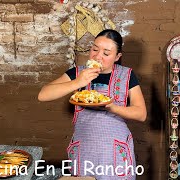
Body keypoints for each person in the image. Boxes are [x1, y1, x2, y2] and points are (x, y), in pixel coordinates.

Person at [38, 29, 147, 179]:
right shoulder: (78, 73)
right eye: (95, 49)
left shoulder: (126, 75)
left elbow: (141, 113)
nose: (98, 56)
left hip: (114, 152)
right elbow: (43, 95)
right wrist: (77, 82)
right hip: (84, 150)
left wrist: (112, 107)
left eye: (106, 53)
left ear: (117, 57)